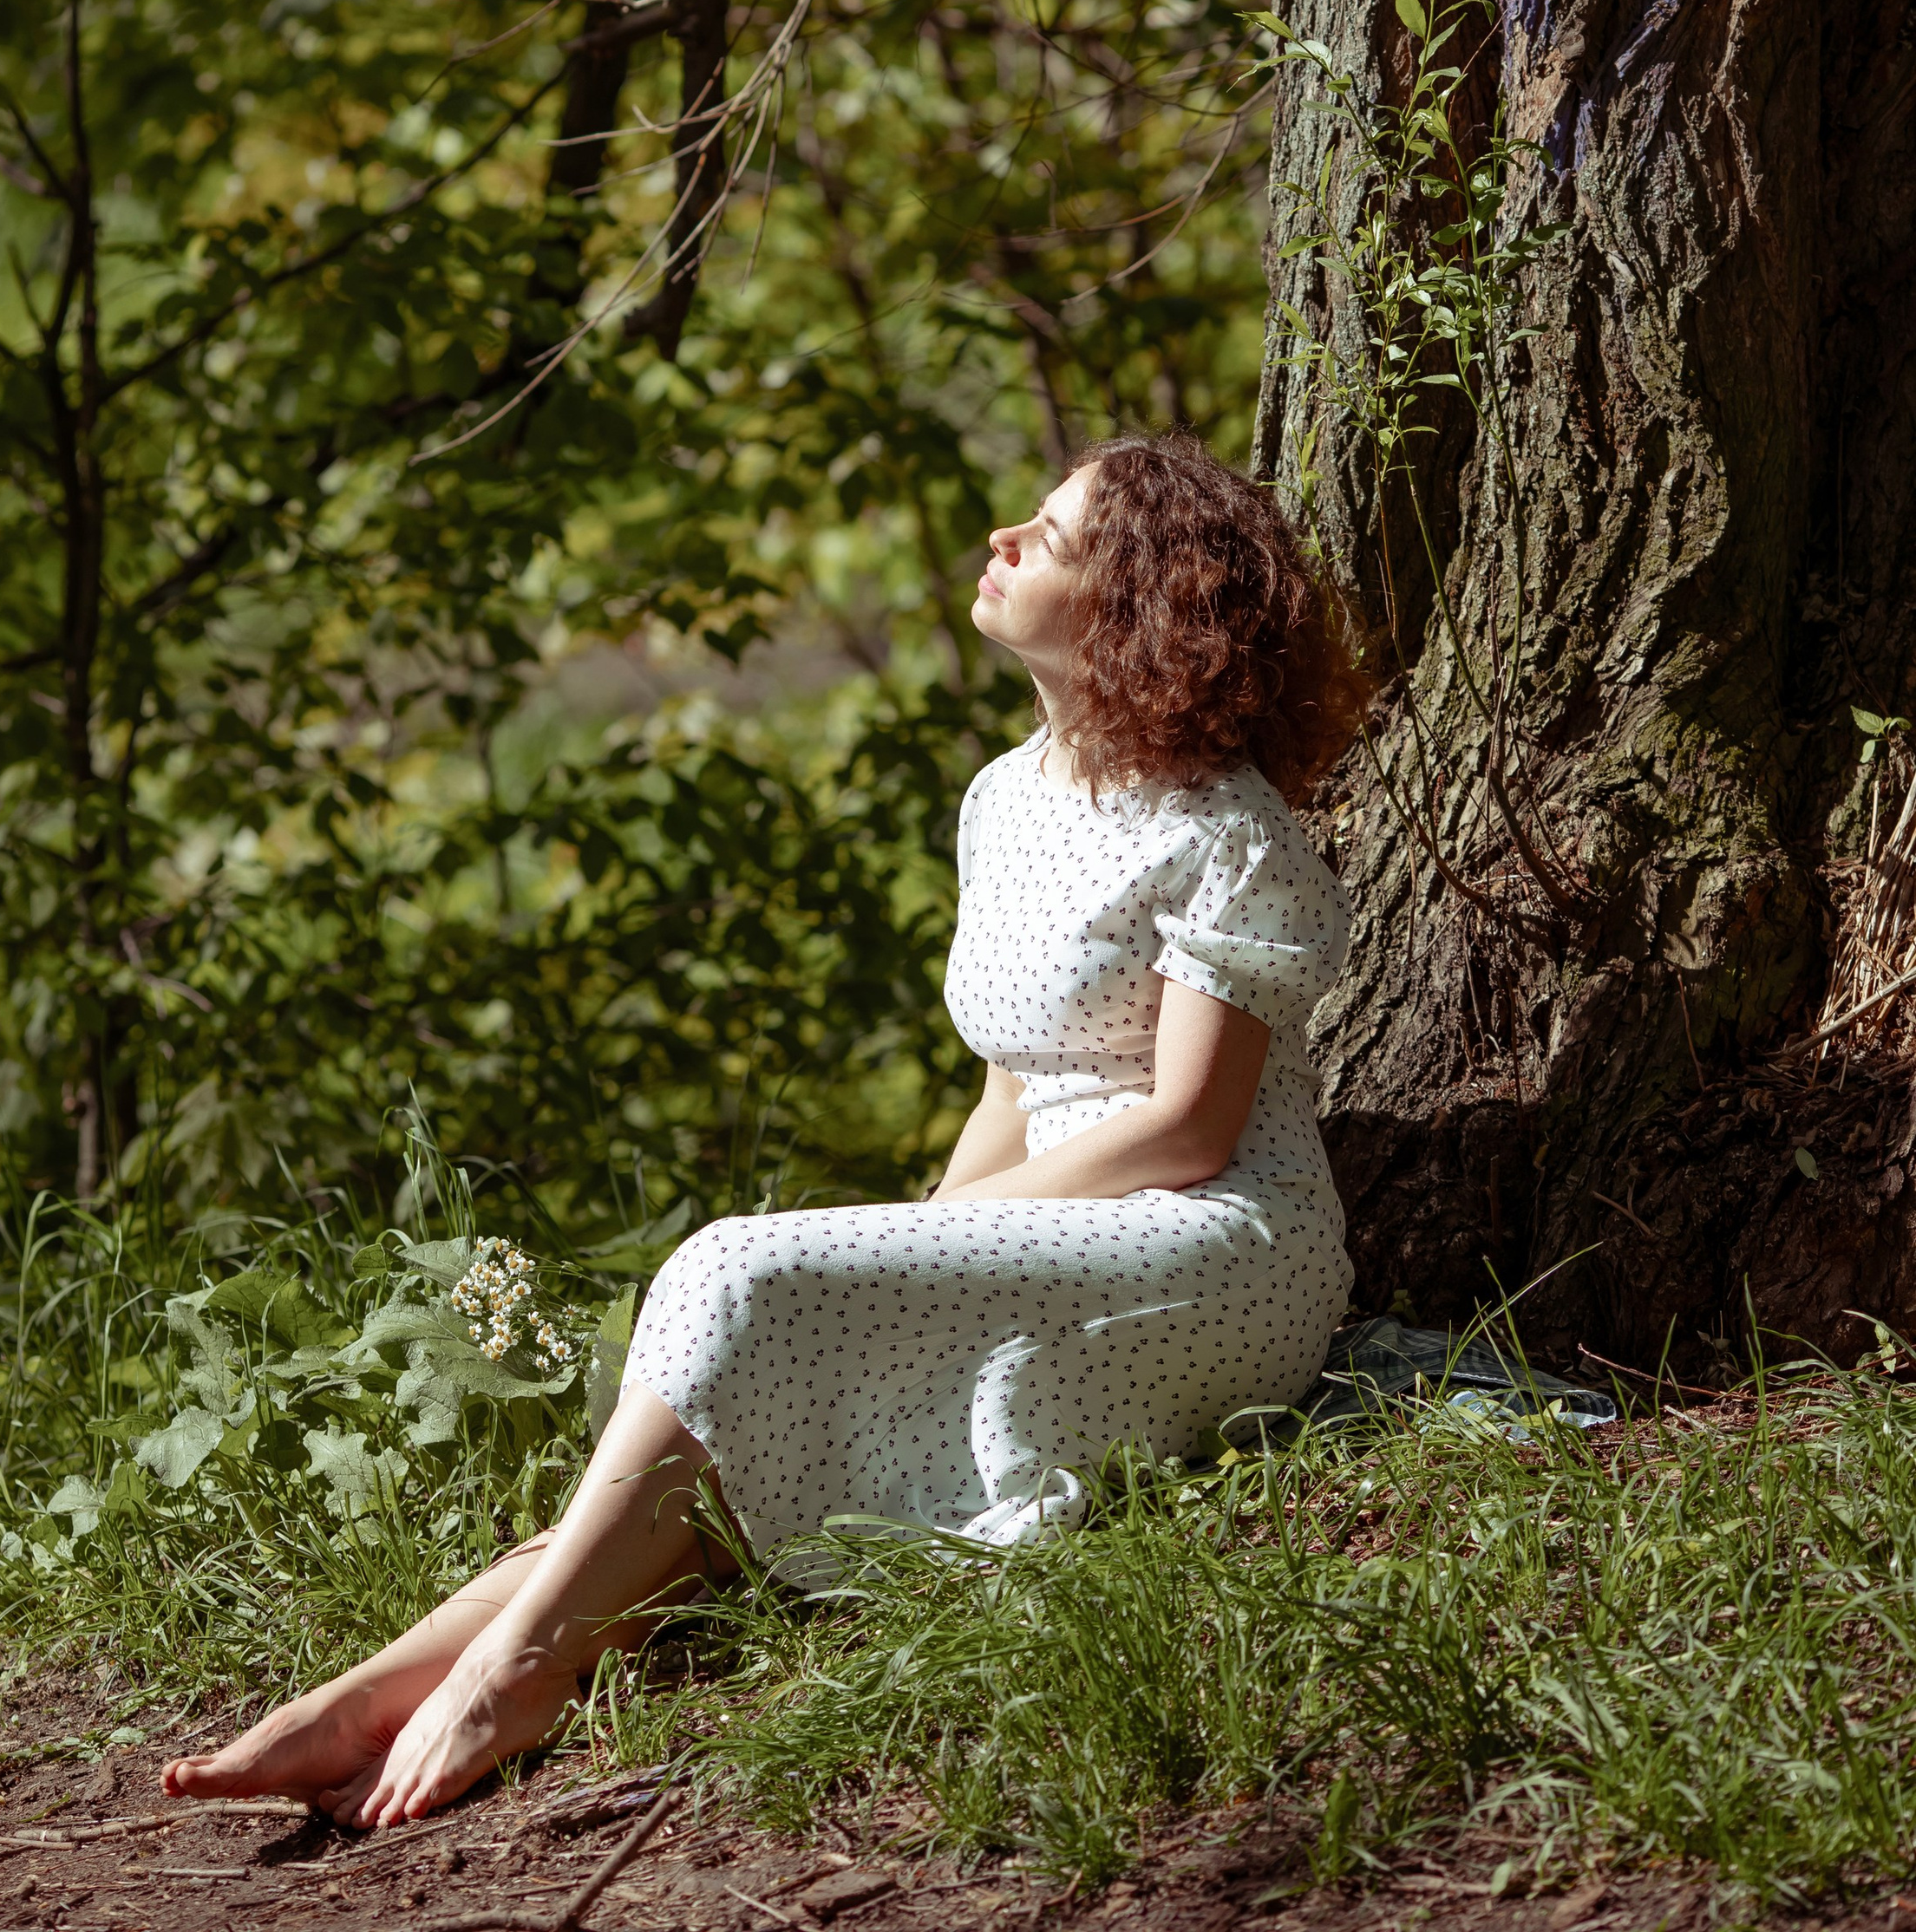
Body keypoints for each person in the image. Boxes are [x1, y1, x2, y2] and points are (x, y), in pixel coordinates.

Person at [163, 429, 1369, 1829]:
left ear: (1135, 606)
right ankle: (375, 1692)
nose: (1002, 539)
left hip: (1216, 1245)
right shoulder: (1005, 797)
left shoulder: (1226, 833)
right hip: (1056, 1220)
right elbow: (1008, 1089)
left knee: (740, 1269)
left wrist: (925, 1239)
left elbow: (1186, 1126)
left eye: (1048, 534)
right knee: (722, 1437)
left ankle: (515, 1667)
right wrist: (916, 1241)